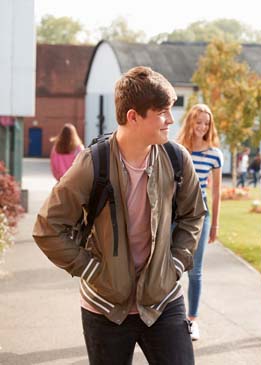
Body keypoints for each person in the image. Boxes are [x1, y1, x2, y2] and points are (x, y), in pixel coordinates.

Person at [33, 66, 206, 365]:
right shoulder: (93, 163)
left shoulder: (177, 158)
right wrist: (90, 270)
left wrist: (175, 263)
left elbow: (193, 215)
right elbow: (47, 227)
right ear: (133, 117)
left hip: (163, 300)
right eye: (162, 112)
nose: (171, 120)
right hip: (104, 307)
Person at [177, 104, 223, 341]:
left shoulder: (214, 154)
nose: (202, 127)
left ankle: (192, 320)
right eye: (198, 122)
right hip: (176, 215)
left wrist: (214, 224)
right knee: (168, 268)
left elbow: (215, 193)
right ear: (190, 122)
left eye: (206, 123)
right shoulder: (178, 150)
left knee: (195, 272)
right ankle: (168, 318)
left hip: (200, 217)